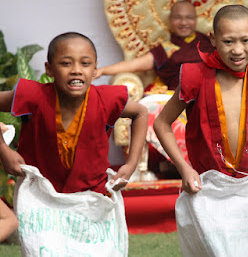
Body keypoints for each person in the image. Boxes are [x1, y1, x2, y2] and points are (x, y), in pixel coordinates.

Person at [154, 5, 248, 256]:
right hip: (211, 188)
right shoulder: (195, 76)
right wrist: (184, 168)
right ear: (212, 39)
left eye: (245, 40)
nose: (237, 50)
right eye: (228, 41)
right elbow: (162, 123)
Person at [0, 32, 148, 194]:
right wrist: (3, 149)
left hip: (92, 198)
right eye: (66, 63)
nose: (76, 70)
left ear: (94, 70)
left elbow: (140, 112)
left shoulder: (105, 100)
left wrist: (131, 164)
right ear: (49, 69)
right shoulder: (34, 96)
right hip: (39, 197)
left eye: (85, 63)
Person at [95, 0, 214, 91]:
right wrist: (103, 70)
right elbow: (133, 65)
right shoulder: (166, 49)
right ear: (170, 20)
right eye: (178, 17)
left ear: (196, 19)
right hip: (177, 100)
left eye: (189, 18)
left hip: (209, 95)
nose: (183, 23)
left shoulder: (208, 43)